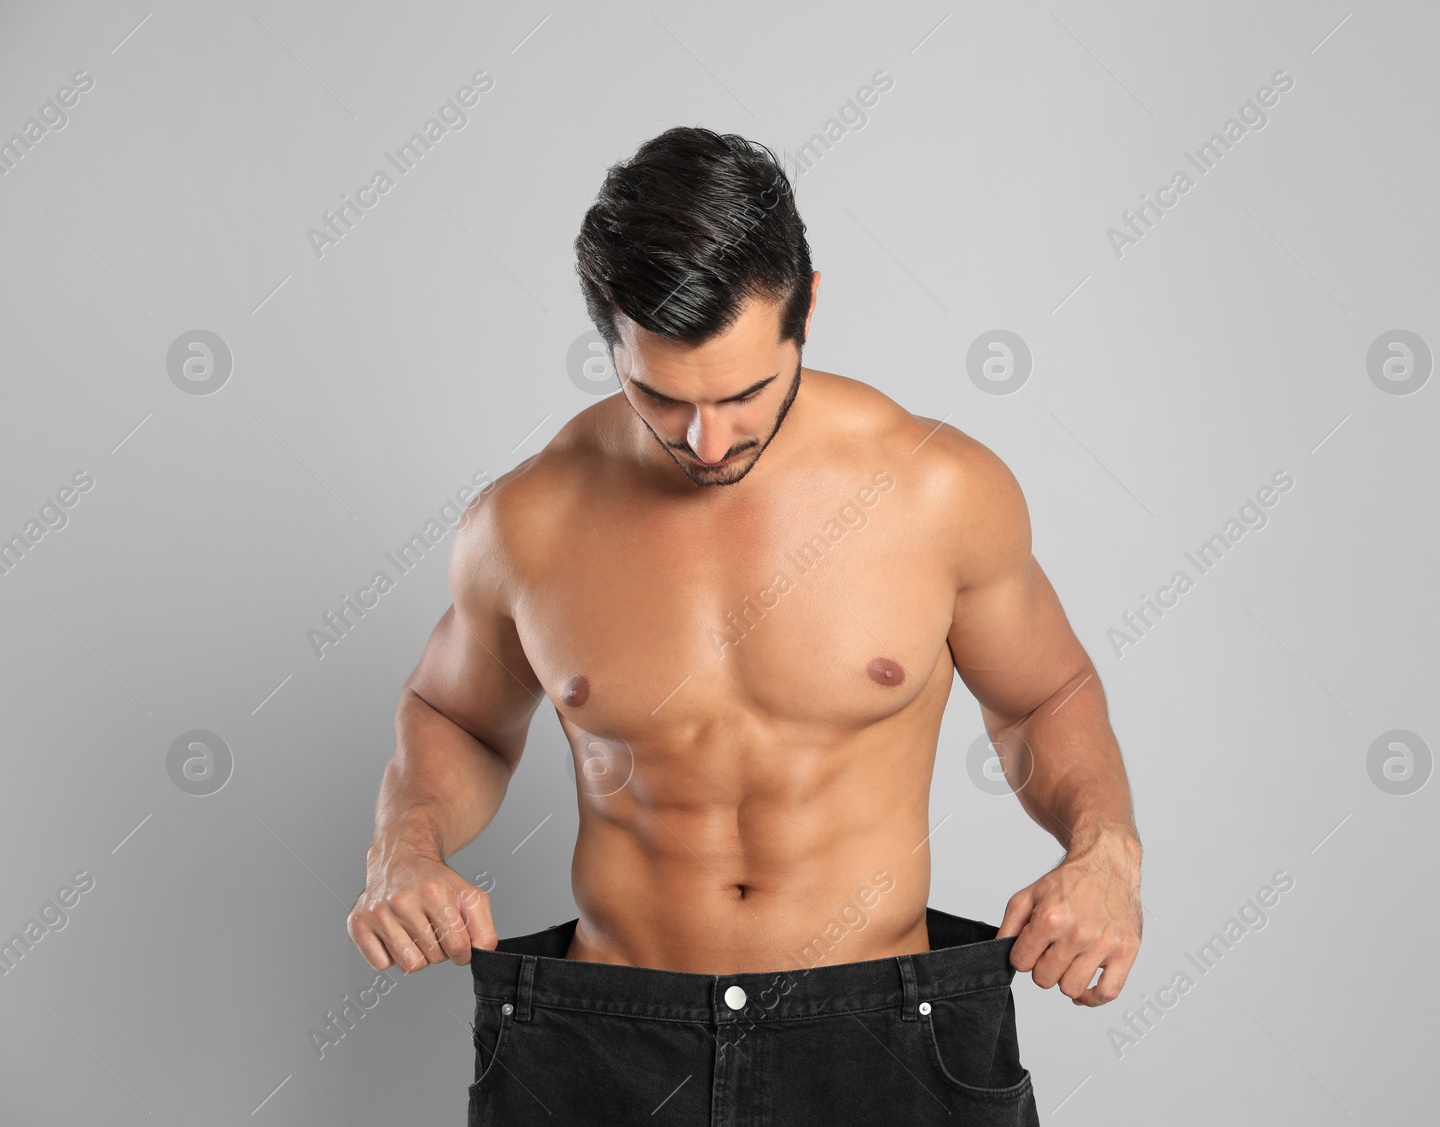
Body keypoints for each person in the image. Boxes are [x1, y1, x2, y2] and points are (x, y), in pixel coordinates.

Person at [347, 126, 1142, 1125]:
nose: (707, 441)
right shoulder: (528, 520)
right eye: (660, 399)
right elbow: (453, 714)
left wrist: (1104, 849)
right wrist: (405, 848)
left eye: (744, 393)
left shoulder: (937, 492)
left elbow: (1043, 695)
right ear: (609, 337)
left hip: (880, 1032)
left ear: (806, 304)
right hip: (609, 1038)